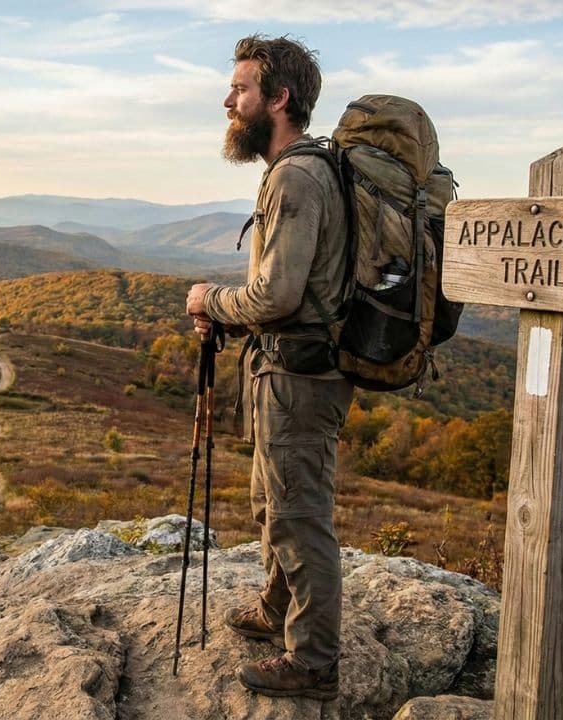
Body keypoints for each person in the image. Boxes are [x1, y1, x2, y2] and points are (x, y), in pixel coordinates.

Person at [184, 34, 352, 701]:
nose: (229, 100)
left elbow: (277, 296)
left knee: (299, 513)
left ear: (278, 98)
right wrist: (228, 315)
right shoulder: (302, 168)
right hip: (286, 370)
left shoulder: (297, 176)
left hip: (300, 377)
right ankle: (278, 609)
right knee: (274, 504)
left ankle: (314, 663)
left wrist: (210, 301)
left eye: (241, 89)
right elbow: (289, 288)